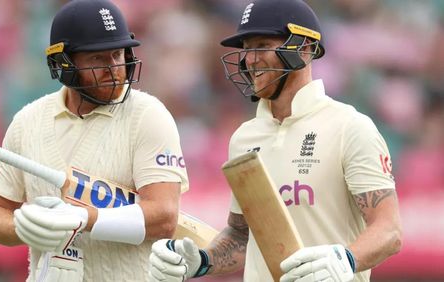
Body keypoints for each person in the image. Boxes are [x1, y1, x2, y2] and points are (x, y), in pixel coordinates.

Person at [148, 0, 402, 281]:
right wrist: (203, 260)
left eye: (262, 45)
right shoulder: (245, 137)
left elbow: (389, 231)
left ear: (304, 48)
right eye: (246, 48)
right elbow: (243, 235)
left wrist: (346, 258)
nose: (249, 59)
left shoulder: (350, 127)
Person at [0, 0, 188, 281]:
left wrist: (79, 219)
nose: (114, 68)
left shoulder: (147, 115)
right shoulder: (28, 121)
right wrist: (25, 227)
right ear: (63, 64)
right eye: (97, 59)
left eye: (117, 54)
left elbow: (164, 217)